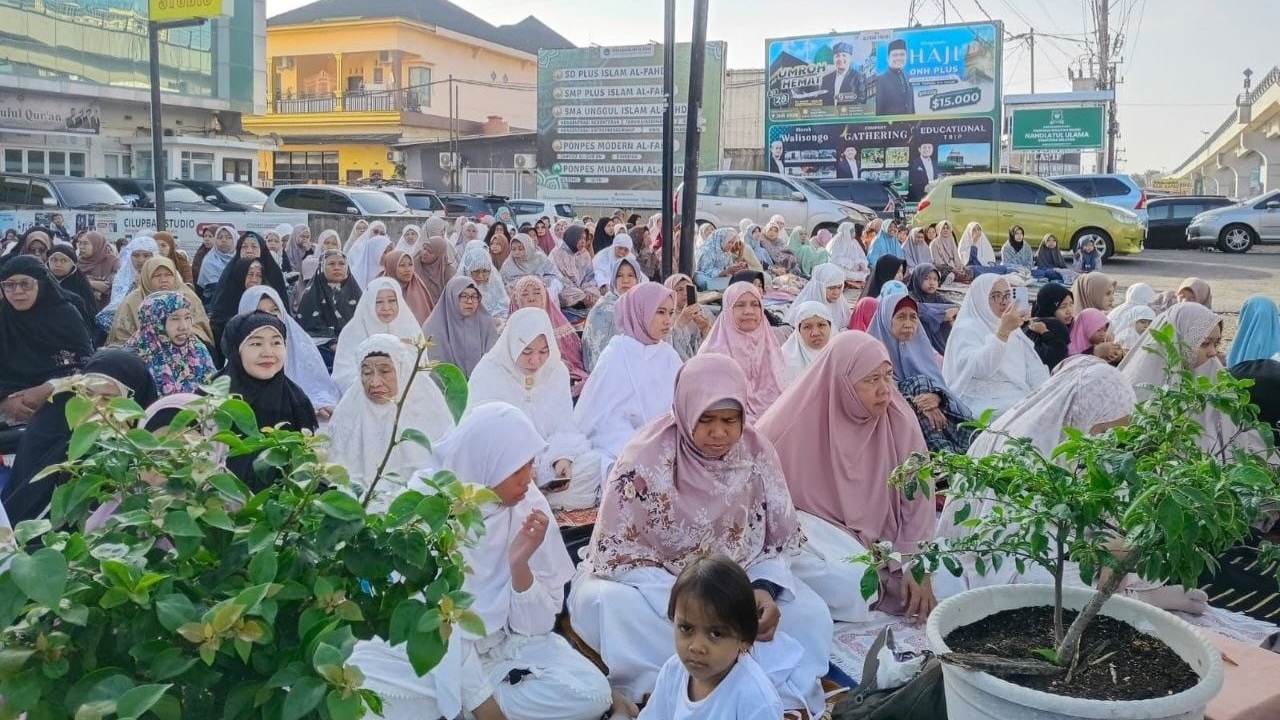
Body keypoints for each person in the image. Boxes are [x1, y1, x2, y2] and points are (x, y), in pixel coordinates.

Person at [569, 354, 832, 714]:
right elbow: (618, 552)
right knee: (612, 607)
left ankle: (755, 690)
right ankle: (674, 689)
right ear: (686, 410)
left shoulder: (756, 454)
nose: (719, 433)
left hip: (738, 579)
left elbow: (774, 543)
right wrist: (695, 599)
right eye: (705, 420)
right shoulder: (644, 459)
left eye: (730, 420)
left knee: (810, 613)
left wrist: (762, 589)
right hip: (658, 585)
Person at [350, 403, 613, 720]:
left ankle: (466, 706)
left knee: (592, 693)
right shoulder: (431, 510)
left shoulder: (528, 506)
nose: (527, 480)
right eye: (515, 471)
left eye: (530, 465)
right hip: (435, 650)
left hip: (502, 650)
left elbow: (536, 629)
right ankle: (476, 704)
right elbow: (430, 621)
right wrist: (483, 704)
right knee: (368, 690)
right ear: (485, 464)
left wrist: (520, 566)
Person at [758, 331, 948, 624]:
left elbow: (918, 496)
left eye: (888, 376)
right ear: (842, 383)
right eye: (871, 380)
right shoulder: (790, 426)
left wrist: (915, 559)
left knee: (949, 578)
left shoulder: (898, 418)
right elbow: (763, 508)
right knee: (855, 585)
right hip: (821, 530)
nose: (884, 390)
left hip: (885, 535)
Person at [937, 355, 1138, 590]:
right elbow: (1008, 540)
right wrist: (1097, 551)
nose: (1109, 441)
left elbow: (1107, 509)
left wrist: (1115, 540)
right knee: (1045, 580)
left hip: (1056, 542)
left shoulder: (1080, 439)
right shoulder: (1030, 446)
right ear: (1086, 414)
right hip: (1009, 553)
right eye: (1105, 430)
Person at [467, 309, 604, 511]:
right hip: (504, 461)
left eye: (543, 352)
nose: (535, 361)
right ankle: (532, 497)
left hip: (545, 459)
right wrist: (519, 464)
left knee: (593, 464)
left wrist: (562, 457)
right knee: (480, 480)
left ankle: (532, 498)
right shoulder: (489, 371)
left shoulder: (556, 371)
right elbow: (479, 433)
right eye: (527, 352)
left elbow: (564, 425)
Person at [2, 350, 157, 523]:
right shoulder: (46, 433)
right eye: (87, 394)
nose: (94, 407)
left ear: (134, 403)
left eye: (107, 398)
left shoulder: (147, 459)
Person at [638, 555, 785, 720]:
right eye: (686, 628)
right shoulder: (673, 671)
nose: (696, 647)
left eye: (716, 634)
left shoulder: (756, 701)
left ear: (744, 639)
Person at [324, 333, 453, 509]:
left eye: (385, 371)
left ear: (402, 370)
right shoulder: (349, 412)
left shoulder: (428, 410)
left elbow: (442, 472)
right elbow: (335, 474)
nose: (375, 382)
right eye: (367, 373)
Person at [575, 282, 682, 472]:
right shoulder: (617, 353)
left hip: (666, 441)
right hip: (621, 442)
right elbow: (602, 419)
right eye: (660, 312)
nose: (668, 321)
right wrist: (641, 444)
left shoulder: (669, 355)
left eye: (671, 313)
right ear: (640, 312)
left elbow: (680, 408)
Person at [218, 312, 318, 490]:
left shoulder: (296, 400)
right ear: (235, 349)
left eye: (276, 343)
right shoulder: (212, 399)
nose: (268, 353)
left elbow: (304, 466)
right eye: (256, 344)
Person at [867, 292, 974, 453]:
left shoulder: (921, 346)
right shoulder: (870, 352)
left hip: (929, 417)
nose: (908, 324)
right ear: (886, 320)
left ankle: (947, 452)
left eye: (913, 317)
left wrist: (936, 397)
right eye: (901, 317)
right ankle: (946, 453)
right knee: (918, 384)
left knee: (922, 383)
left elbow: (938, 383)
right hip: (888, 419)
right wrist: (917, 404)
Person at [0, 256, 95, 424]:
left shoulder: (66, 315)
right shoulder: (4, 317)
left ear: (41, 284)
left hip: (62, 401)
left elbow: (86, 363)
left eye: (26, 284)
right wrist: (4, 401)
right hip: (9, 406)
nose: (18, 291)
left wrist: (50, 387)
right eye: (10, 285)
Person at [942, 274, 1050, 418]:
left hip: (1018, 396)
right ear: (981, 298)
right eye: (996, 296)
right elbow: (981, 369)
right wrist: (1003, 333)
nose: (1004, 302)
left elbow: (1032, 366)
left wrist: (1045, 393)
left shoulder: (1010, 326)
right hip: (982, 402)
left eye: (1007, 295)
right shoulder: (966, 329)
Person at [239, 286, 341, 419]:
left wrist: (315, 404)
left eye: (275, 310)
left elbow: (318, 387)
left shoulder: (299, 341)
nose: (270, 316)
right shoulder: (239, 351)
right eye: (260, 311)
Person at [699, 282, 788, 420]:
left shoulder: (770, 346)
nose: (748, 311)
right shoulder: (711, 355)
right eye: (740, 305)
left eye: (755, 304)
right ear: (727, 309)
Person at [333, 277, 425, 392]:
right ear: (369, 303)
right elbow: (343, 375)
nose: (386, 308)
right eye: (378, 302)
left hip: (407, 395)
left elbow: (421, 369)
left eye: (392, 300)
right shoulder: (352, 332)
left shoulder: (410, 329)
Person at [107, 256, 214, 349]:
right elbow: (121, 336)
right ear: (147, 277)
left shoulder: (187, 296)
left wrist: (175, 335)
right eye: (157, 275)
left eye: (168, 275)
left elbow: (201, 330)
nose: (163, 279)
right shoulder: (133, 301)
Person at [125, 291, 217, 396]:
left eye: (187, 317)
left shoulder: (196, 348)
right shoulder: (135, 357)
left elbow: (215, 389)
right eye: (174, 319)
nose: (184, 327)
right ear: (154, 322)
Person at [508, 276, 588, 396]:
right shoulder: (509, 332)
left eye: (537, 293)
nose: (531, 299)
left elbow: (574, 362)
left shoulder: (561, 327)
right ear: (517, 300)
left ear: (544, 297)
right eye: (524, 295)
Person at [422, 276, 498, 378]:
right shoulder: (433, 328)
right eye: (463, 296)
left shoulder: (486, 323)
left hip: (482, 382)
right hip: (447, 384)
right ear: (451, 298)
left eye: (474, 296)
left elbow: (494, 359)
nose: (470, 301)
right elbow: (435, 369)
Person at [297, 250, 363, 365]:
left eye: (342, 264)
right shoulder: (312, 294)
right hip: (323, 349)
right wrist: (332, 343)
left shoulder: (355, 292)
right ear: (322, 267)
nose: (337, 268)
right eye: (331, 264)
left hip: (355, 347)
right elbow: (309, 328)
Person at [581, 256, 645, 372]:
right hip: (606, 371)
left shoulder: (640, 305)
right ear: (614, 280)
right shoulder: (603, 309)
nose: (625, 280)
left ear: (638, 279)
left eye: (631, 275)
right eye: (619, 276)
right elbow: (598, 352)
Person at [206, 258, 266, 347]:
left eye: (259, 275)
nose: (254, 280)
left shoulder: (265, 300)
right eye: (250, 274)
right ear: (240, 275)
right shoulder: (226, 302)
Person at [906, 263, 957, 355]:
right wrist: (942, 315)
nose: (932, 283)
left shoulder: (937, 297)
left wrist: (952, 312)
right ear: (918, 278)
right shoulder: (910, 297)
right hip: (922, 341)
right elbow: (917, 308)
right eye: (927, 278)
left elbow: (956, 307)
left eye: (935, 279)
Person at [46, 243, 98, 329]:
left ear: (72, 264)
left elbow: (89, 314)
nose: (58, 264)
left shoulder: (81, 283)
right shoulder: (42, 281)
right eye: (54, 260)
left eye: (63, 261)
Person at [1024, 282, 1075, 370]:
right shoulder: (1055, 326)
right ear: (1049, 307)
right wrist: (1046, 333)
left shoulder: (1031, 322)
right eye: (1063, 307)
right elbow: (1057, 357)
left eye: (1071, 304)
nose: (1069, 311)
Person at [664, 273, 714, 362]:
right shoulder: (665, 315)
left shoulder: (704, 312)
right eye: (679, 290)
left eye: (688, 288)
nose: (685, 293)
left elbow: (716, 345)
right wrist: (680, 323)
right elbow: (665, 346)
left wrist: (705, 329)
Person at [548, 225, 600, 309]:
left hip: (582, 290)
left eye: (585, 238)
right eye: (580, 238)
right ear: (572, 237)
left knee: (595, 295)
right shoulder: (557, 254)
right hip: (565, 290)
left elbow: (589, 277)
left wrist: (588, 292)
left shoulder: (584, 253)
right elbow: (558, 281)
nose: (583, 242)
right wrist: (581, 295)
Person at [781, 301, 833, 381]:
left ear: (830, 327)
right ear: (798, 331)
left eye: (821, 325)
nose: (815, 333)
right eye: (807, 327)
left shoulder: (841, 355)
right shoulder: (785, 359)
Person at [379, 249, 434, 324]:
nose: (408, 269)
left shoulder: (418, 287)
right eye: (402, 265)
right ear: (391, 267)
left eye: (410, 264)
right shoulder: (380, 290)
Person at [459, 242, 510, 321]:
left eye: (485, 271)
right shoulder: (459, 288)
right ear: (467, 270)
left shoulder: (495, 285)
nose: (480, 276)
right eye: (476, 271)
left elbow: (504, 307)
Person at [75, 231, 119, 311]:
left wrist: (85, 282)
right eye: (80, 243)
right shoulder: (76, 262)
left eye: (85, 243)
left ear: (97, 245)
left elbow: (106, 286)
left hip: (108, 309)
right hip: (81, 309)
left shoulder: (113, 262)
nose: (81, 247)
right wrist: (91, 283)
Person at [411, 234, 457, 308]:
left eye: (430, 252)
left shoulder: (448, 272)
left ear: (438, 256)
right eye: (424, 249)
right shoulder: (413, 266)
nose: (424, 253)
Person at [694, 228, 746, 292]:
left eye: (733, 243)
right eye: (729, 242)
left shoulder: (726, 253)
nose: (731, 246)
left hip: (720, 278)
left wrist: (736, 268)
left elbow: (729, 268)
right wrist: (726, 271)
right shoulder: (707, 251)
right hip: (707, 277)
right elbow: (707, 271)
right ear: (721, 239)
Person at [874, 38, 913, 116]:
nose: (899, 58)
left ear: (906, 57)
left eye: (902, 55)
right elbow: (878, 111)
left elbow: (911, 106)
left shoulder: (908, 77)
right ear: (888, 58)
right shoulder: (880, 80)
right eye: (895, 55)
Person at [821, 42, 865, 106]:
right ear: (833, 59)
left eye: (844, 55)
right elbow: (823, 101)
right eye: (837, 56)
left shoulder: (859, 77)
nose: (840, 59)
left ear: (850, 58)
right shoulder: (826, 79)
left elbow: (861, 100)